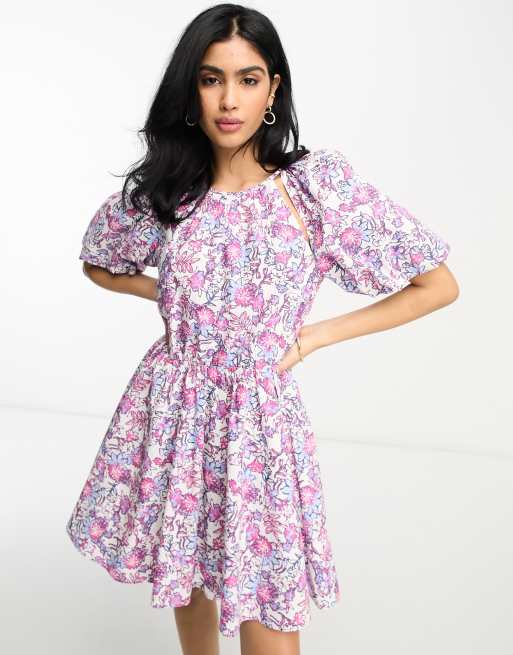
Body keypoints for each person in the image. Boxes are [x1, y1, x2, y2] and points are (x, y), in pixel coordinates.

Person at [66, 4, 459, 655]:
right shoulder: (172, 192)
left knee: (269, 605)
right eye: (211, 79)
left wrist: (311, 338)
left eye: (247, 80)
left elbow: (437, 285)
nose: (229, 100)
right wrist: (170, 293)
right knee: (188, 577)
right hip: (176, 409)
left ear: (273, 88)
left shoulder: (311, 190)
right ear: (190, 89)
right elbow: (99, 262)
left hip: (259, 423)